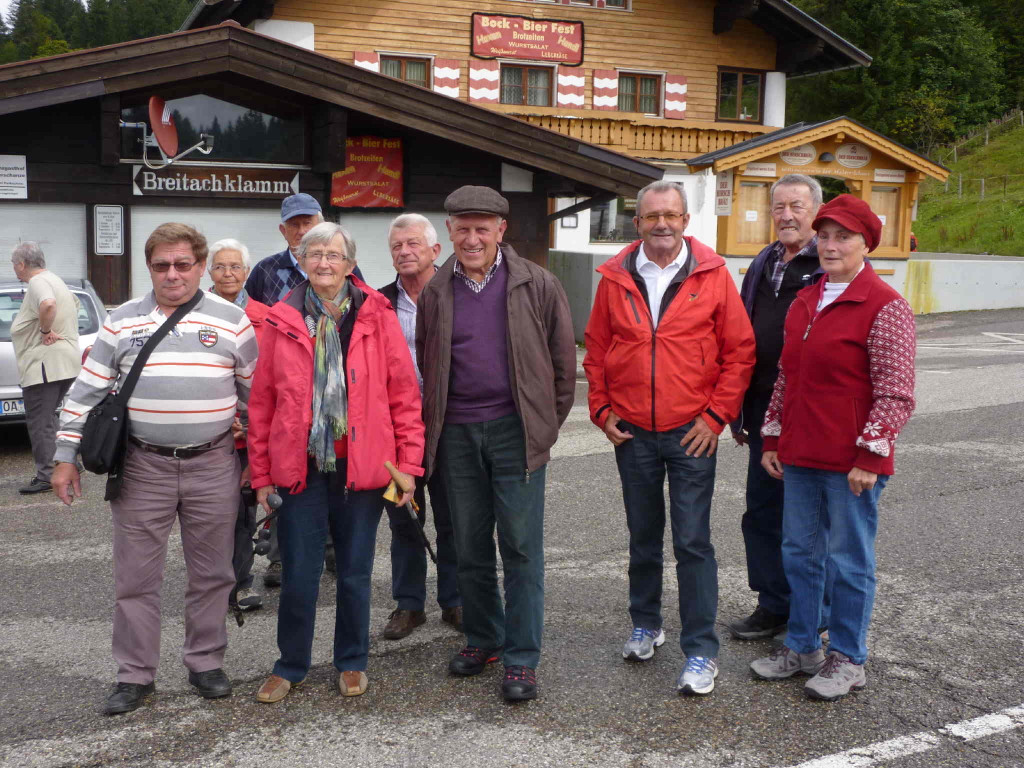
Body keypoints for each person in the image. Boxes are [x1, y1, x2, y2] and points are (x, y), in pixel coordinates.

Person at [51, 223, 258, 715]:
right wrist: (63, 457)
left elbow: (257, 396)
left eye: (183, 264)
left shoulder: (233, 321)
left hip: (213, 465)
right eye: (161, 265)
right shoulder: (121, 320)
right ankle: (134, 674)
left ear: (201, 267)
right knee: (135, 579)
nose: (172, 274)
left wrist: (257, 456)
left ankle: (205, 662)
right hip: (142, 467)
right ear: (149, 267)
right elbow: (85, 391)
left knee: (213, 574)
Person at [582, 180, 754, 696]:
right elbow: (596, 350)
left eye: (671, 215)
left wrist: (716, 417)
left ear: (685, 221)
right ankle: (646, 623)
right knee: (642, 536)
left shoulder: (713, 274)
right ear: (637, 222)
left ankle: (701, 650)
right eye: (652, 216)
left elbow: (739, 352)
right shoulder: (615, 276)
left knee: (692, 541)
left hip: (691, 431)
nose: (662, 224)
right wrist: (601, 410)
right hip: (632, 430)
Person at [248, 222, 424, 703]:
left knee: (354, 572)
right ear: (302, 261)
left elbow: (404, 395)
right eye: (315, 254)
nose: (324, 263)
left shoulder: (377, 314)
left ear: (350, 265)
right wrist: (261, 475)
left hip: (362, 470)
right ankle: (290, 664)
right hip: (300, 468)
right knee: (299, 574)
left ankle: (351, 660)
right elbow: (262, 403)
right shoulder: (281, 318)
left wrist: (409, 466)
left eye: (333, 255)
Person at [750, 195, 916, 701]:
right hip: (800, 454)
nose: (830, 245)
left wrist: (871, 456)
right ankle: (803, 646)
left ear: (866, 244)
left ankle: (848, 657)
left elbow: (896, 391)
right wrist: (772, 436)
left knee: (848, 561)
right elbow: (785, 376)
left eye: (843, 237)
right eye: (824, 236)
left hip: (851, 463)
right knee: (800, 555)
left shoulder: (885, 305)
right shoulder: (806, 299)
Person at [416, 186, 575, 702]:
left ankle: (521, 658)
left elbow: (563, 366)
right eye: (462, 228)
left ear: (501, 230)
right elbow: (427, 361)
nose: (472, 239)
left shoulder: (537, 283)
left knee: (521, 547)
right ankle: (485, 638)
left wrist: (542, 428)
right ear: (448, 231)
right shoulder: (435, 291)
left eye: (482, 229)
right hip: (456, 434)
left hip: (515, 432)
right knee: (468, 546)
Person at [727, 174, 825, 641]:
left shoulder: (828, 262)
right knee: (763, 511)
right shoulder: (764, 260)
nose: (786, 216)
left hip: (810, 413)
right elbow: (743, 333)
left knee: (808, 519)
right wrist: (740, 410)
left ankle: (813, 612)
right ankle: (773, 604)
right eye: (779, 207)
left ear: (816, 211)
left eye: (797, 207)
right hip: (762, 408)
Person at [244, 193, 359, 587]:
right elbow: (253, 321)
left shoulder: (351, 279)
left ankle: (331, 552)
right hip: (290, 398)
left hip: (337, 408)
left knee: (336, 486)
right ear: (283, 230)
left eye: (307, 221)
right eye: (294, 224)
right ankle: (282, 559)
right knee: (293, 482)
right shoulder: (265, 270)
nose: (301, 229)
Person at [378, 213, 462, 640]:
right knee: (403, 519)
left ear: (435, 250)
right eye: (397, 246)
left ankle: (455, 599)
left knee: (453, 518)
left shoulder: (458, 295)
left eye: (413, 243)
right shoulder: (377, 303)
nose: (404, 251)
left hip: (449, 425)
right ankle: (409, 604)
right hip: (396, 432)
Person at [207, 238, 270, 613]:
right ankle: (213, 586)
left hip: (251, 433)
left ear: (247, 272)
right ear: (209, 271)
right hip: (208, 433)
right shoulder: (194, 314)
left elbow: (272, 380)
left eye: (235, 266)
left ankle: (242, 583)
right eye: (220, 266)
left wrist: (251, 425)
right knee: (209, 514)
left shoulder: (267, 316)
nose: (228, 273)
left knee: (245, 512)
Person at [9, 242, 81, 494]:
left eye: (13, 264)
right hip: (62, 362)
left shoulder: (38, 282)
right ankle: (67, 462)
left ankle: (47, 475)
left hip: (45, 364)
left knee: (39, 421)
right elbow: (75, 305)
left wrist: (45, 330)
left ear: (21, 264)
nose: (14, 268)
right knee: (49, 417)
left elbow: (48, 304)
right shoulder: (54, 279)